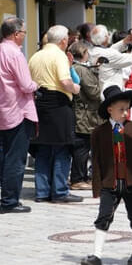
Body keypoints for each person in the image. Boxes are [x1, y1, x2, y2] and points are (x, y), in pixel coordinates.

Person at [81, 85, 132, 265]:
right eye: (121, 109)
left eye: (127, 109)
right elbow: (96, 161)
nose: (125, 113)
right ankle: (96, 255)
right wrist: (97, 187)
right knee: (103, 216)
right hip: (109, 183)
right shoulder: (99, 133)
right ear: (110, 109)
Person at [29, 25, 83, 203]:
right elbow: (64, 81)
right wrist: (75, 89)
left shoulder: (35, 56)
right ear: (63, 41)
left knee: (43, 148)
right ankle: (60, 191)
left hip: (39, 103)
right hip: (58, 104)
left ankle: (42, 191)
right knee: (63, 148)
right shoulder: (58, 55)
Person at [0, 17, 37, 213]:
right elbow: (25, 84)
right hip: (17, 110)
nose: (24, 36)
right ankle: (10, 201)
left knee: (5, 157)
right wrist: (37, 85)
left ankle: (6, 197)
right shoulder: (15, 54)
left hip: (3, 109)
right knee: (15, 158)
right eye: (23, 33)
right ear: (15, 34)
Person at [69, 41, 103, 190]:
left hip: (82, 112)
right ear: (83, 54)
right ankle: (77, 179)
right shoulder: (81, 70)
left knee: (82, 146)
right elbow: (94, 92)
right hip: (85, 114)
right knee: (82, 147)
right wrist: (101, 82)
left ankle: (80, 177)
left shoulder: (75, 67)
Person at [88, 25, 132, 98]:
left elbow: (110, 51)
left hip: (104, 91)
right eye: (107, 34)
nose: (109, 36)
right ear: (105, 38)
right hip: (113, 94)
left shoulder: (92, 51)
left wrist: (125, 40)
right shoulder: (108, 54)